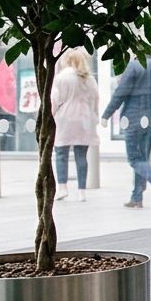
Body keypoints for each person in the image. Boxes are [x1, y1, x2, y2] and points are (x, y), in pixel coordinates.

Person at [101, 55, 151, 210]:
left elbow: (120, 93)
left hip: (136, 121)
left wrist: (106, 115)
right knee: (143, 158)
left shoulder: (134, 66)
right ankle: (136, 197)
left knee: (135, 159)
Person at [51, 48, 100, 202]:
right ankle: (81, 191)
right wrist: (95, 116)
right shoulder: (89, 78)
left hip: (65, 118)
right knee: (81, 156)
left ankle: (63, 187)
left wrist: (52, 114)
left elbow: (55, 99)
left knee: (61, 154)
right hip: (84, 118)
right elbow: (95, 99)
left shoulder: (62, 77)